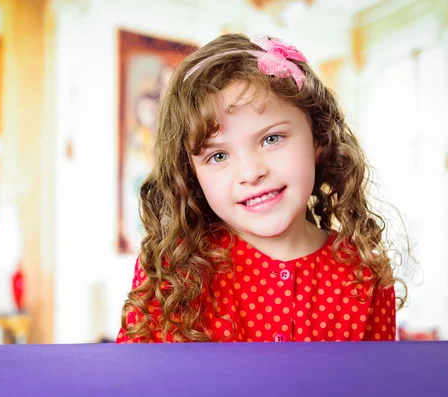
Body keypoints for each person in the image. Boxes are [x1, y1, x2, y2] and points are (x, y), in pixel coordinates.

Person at [116, 33, 407, 343]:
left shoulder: (365, 272)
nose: (251, 172)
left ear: (318, 137)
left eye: (272, 139)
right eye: (218, 156)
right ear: (191, 175)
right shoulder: (173, 272)